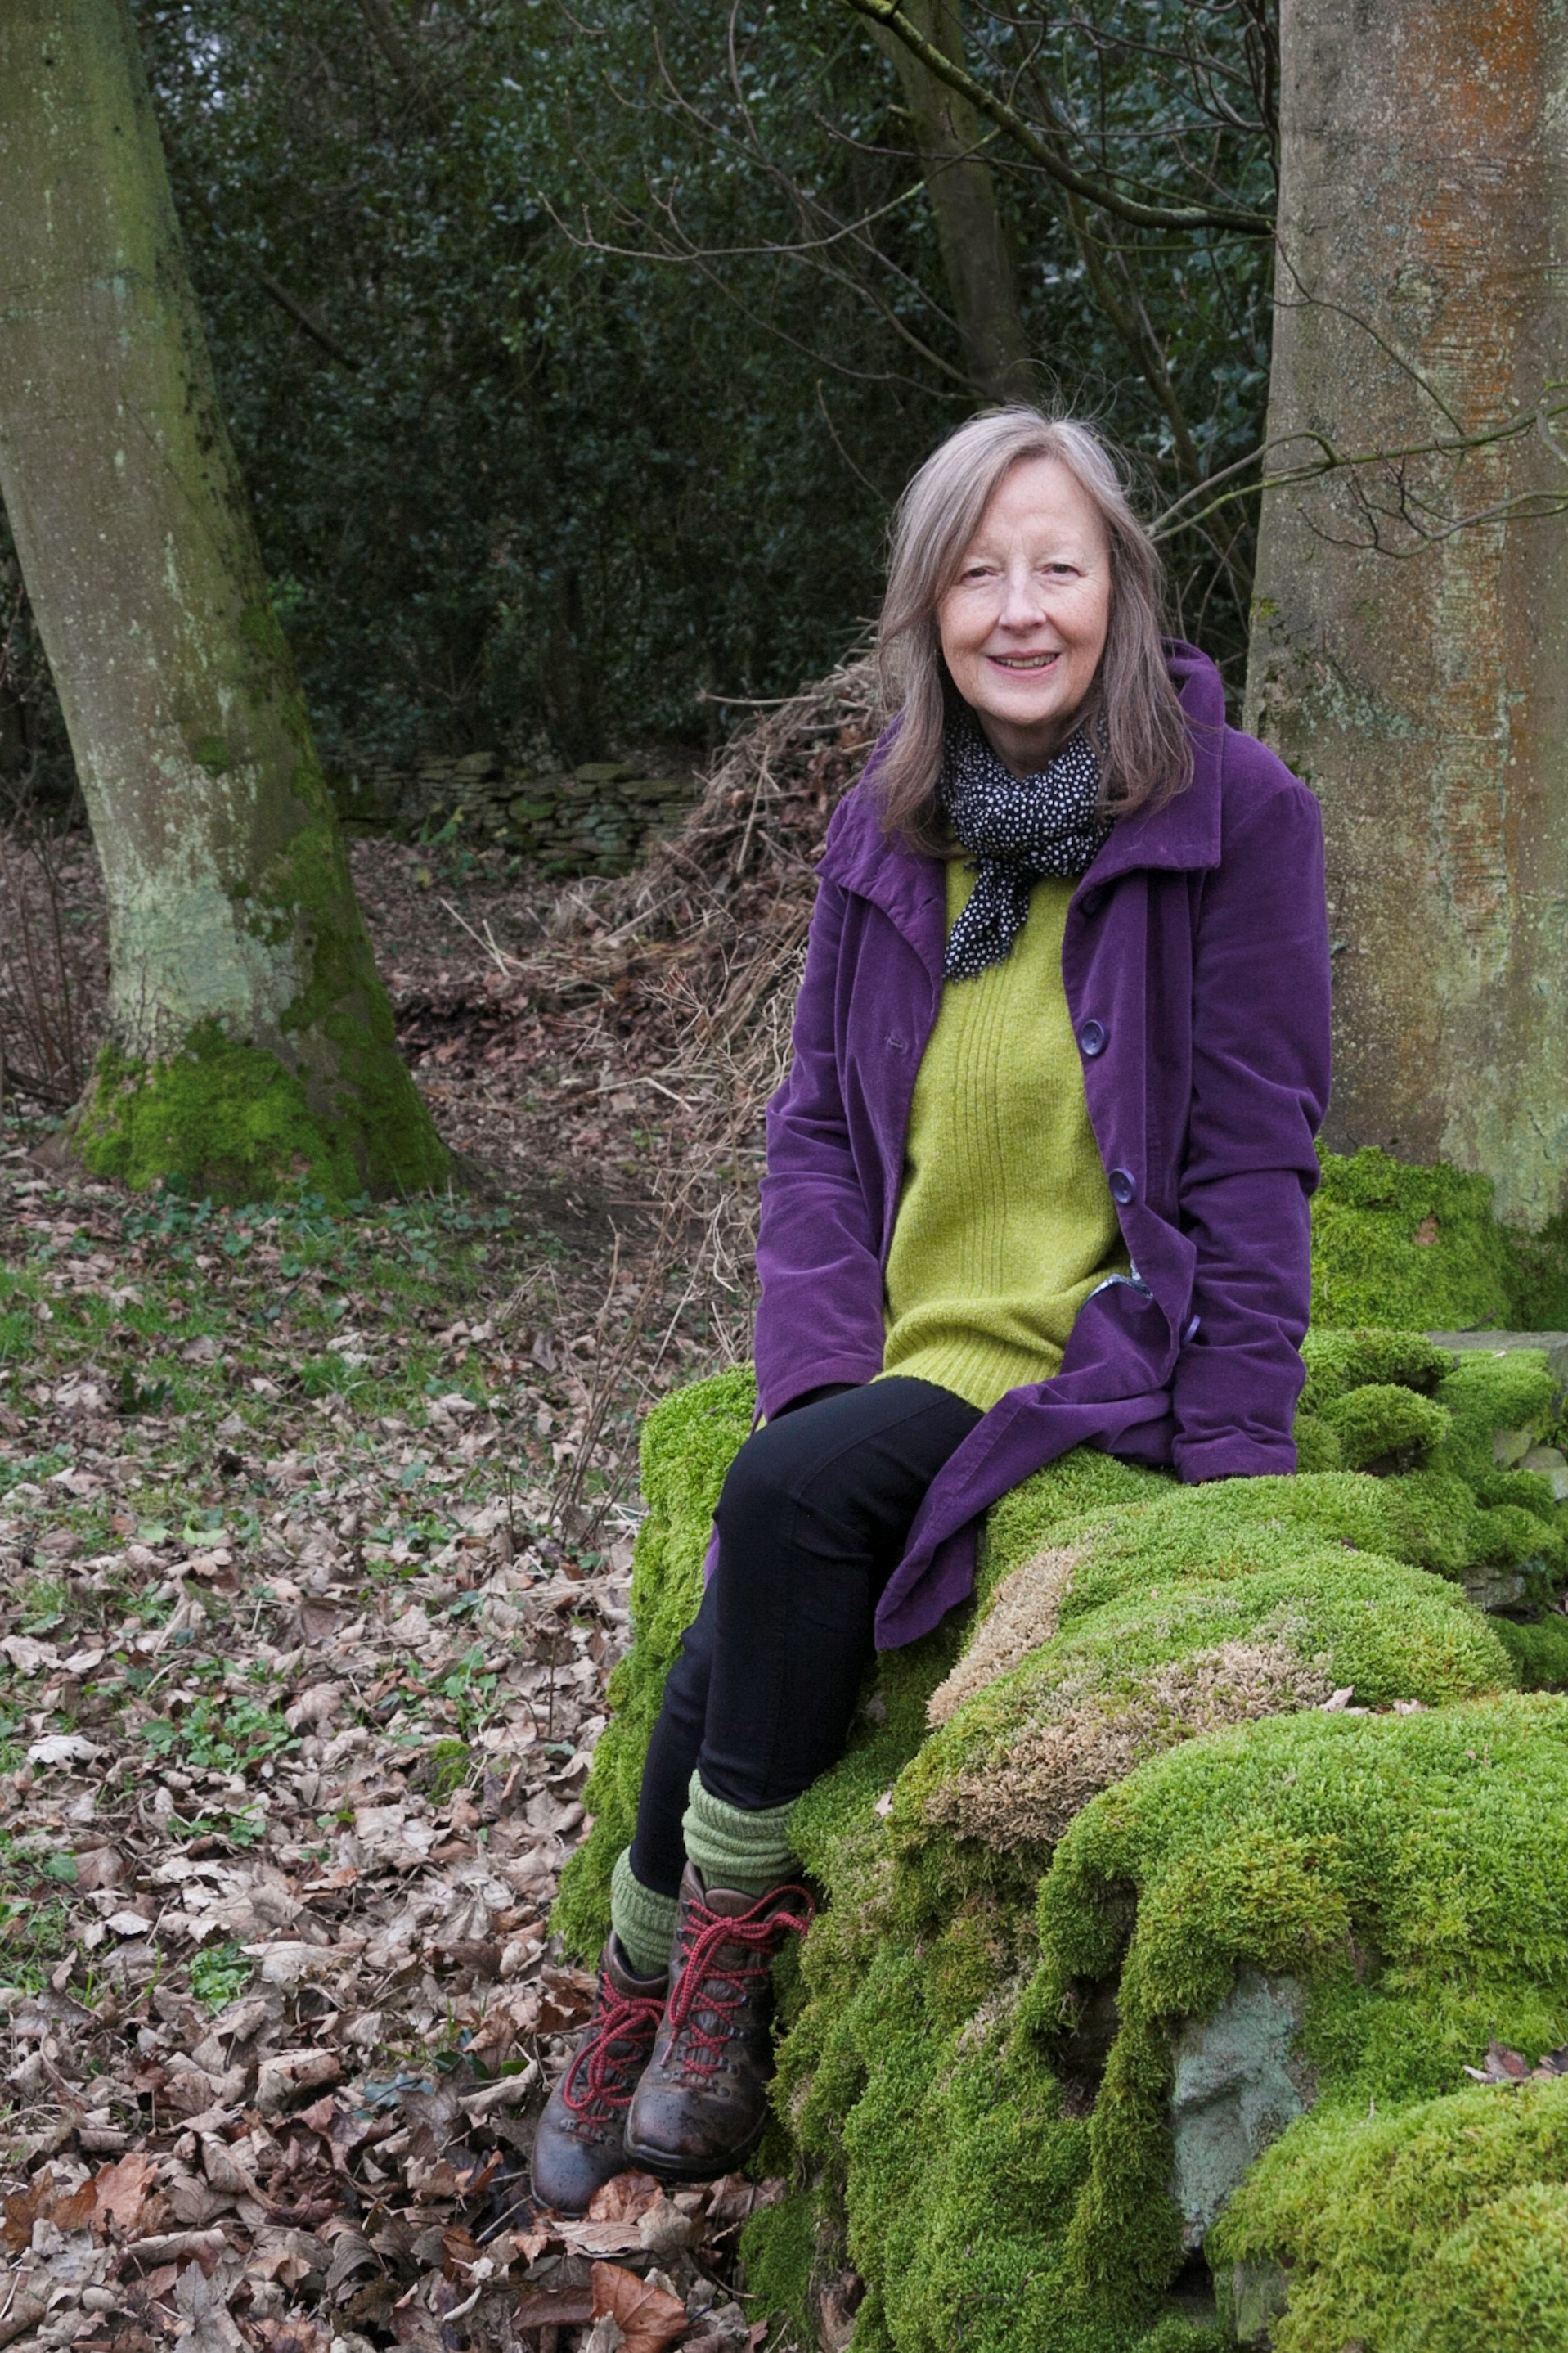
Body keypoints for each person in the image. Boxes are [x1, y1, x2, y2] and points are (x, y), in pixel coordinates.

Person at [531, 407, 1332, 2211]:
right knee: (759, 1547)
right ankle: (649, 1990)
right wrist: (817, 1369)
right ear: (929, 610)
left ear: (1122, 589)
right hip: (899, 1350)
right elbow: (817, 1127)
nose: (1020, 607)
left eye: (1058, 565)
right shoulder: (888, 827)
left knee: (778, 1502)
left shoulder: (1237, 814)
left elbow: (1255, 1151)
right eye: (979, 572)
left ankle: (701, 1959)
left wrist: (1236, 1465)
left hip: (1084, 1350)